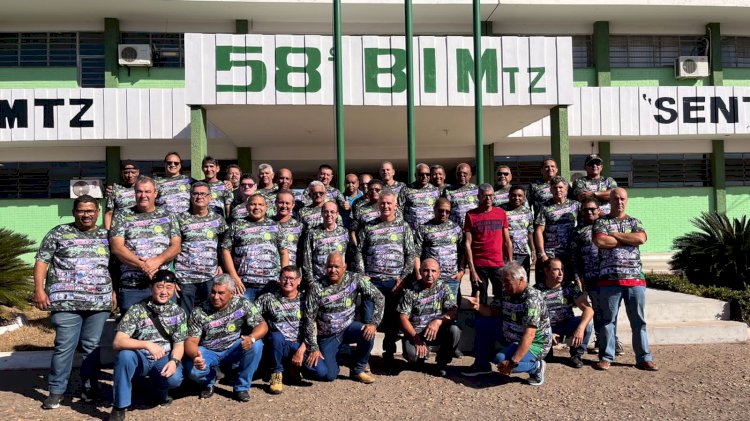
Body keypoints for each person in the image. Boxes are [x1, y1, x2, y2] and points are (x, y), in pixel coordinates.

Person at [34, 195, 114, 409]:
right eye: (81, 210)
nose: (86, 214)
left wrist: (113, 291)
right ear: (74, 212)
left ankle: (90, 389)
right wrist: (39, 290)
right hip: (65, 302)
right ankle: (56, 391)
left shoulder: (107, 236)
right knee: (64, 347)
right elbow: (42, 260)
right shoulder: (58, 232)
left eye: (90, 210)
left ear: (97, 212)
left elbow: (114, 266)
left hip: (98, 302)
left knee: (91, 347)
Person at [592, 188, 658, 371]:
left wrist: (614, 235)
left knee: (638, 321)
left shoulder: (634, 221)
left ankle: (644, 358)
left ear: (626, 200)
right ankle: (606, 357)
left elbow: (641, 239)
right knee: (607, 321)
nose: (619, 202)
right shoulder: (600, 222)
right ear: (610, 201)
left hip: (635, 280)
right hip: (609, 280)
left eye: (622, 199)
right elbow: (601, 242)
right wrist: (629, 239)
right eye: (615, 199)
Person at [110, 270, 186, 421]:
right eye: (159, 287)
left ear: (174, 289)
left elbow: (179, 344)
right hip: (140, 357)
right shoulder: (137, 309)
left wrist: (174, 361)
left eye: (169, 287)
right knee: (125, 356)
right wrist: (146, 344)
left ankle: (157, 390)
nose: (164, 292)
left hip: (163, 358)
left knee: (175, 378)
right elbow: (118, 341)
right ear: (151, 288)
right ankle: (120, 405)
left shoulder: (178, 312)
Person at [462, 261, 552, 386]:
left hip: (535, 344)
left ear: (521, 280)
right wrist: (478, 307)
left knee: (500, 360)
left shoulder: (532, 299)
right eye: (503, 281)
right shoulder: (507, 293)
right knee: (484, 323)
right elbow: (492, 312)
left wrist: (512, 362)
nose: (504, 285)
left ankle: (535, 366)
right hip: (510, 333)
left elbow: (529, 335)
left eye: (507, 282)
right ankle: (481, 365)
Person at [184, 274, 268, 402]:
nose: (215, 297)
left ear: (232, 293)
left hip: (233, 348)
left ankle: (241, 387)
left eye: (221, 293)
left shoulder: (242, 303)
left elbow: (262, 325)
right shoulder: (199, 311)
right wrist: (195, 355)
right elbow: (191, 341)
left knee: (256, 344)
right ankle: (208, 382)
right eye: (213, 292)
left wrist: (251, 337)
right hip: (209, 350)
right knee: (193, 370)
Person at [356, 190, 417, 367]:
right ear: (378, 205)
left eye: (389, 203)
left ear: (395, 205)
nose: (385, 206)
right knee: (368, 320)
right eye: (382, 203)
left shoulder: (403, 226)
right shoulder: (369, 226)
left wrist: (403, 277)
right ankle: (363, 358)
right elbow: (359, 251)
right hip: (372, 282)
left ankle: (388, 354)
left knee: (391, 321)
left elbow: (410, 254)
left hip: (394, 282)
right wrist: (362, 275)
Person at [305, 253, 384, 384]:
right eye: (330, 267)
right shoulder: (317, 287)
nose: (333, 270)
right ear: (325, 268)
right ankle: (302, 363)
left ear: (344, 267)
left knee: (367, 331)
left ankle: (358, 370)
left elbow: (379, 297)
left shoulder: (354, 279)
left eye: (336, 266)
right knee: (329, 375)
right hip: (327, 336)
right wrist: (314, 347)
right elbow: (309, 319)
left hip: (348, 328)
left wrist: (374, 323)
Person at [110, 176, 181, 313]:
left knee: (165, 329)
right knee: (131, 332)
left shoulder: (168, 215)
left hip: (162, 285)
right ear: (134, 193)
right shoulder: (121, 215)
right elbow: (117, 248)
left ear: (155, 193)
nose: (143, 195)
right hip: (132, 287)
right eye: (139, 192)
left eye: (148, 192)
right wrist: (144, 266)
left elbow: (176, 246)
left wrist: (157, 261)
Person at [397, 258, 461, 377]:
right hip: (416, 333)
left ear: (439, 272)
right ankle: (420, 357)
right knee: (413, 359)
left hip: (436, 331)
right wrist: (416, 339)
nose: (429, 274)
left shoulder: (444, 287)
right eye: (426, 270)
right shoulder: (410, 290)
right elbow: (403, 318)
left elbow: (453, 311)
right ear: (420, 272)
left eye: (433, 271)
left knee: (455, 331)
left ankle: (442, 362)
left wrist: (438, 321)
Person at [222, 194, 290, 301]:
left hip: (270, 285)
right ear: (247, 207)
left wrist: (283, 277)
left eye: (260, 204)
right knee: (243, 316)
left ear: (266, 207)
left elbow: (284, 252)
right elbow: (225, 250)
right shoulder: (236, 225)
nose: (257, 207)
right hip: (243, 285)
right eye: (253, 204)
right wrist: (234, 277)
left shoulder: (275, 226)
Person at [174, 182, 228, 314]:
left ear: (210, 197)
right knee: (185, 316)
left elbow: (224, 245)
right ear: (191, 197)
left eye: (203, 194)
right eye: (196, 193)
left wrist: (221, 265)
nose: (199, 197)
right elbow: (173, 247)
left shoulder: (218, 220)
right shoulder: (179, 219)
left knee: (208, 315)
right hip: (185, 277)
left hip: (210, 276)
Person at [255, 265, 308, 394]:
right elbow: (251, 314)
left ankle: (291, 367)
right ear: (279, 279)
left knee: (322, 373)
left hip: (298, 344)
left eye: (291, 278)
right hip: (279, 344)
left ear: (299, 280)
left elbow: (314, 325)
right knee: (276, 336)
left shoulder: (306, 299)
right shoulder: (268, 298)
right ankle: (276, 373)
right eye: (284, 278)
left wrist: (302, 349)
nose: (288, 282)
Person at [535, 259, 594, 369]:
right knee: (545, 357)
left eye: (562, 269)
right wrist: (547, 332)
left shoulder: (569, 287)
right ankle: (547, 351)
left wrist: (580, 329)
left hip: (566, 324)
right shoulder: (536, 291)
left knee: (587, 325)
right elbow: (532, 318)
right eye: (556, 270)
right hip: (547, 327)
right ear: (546, 271)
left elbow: (588, 310)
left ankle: (576, 355)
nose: (561, 273)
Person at [464, 184, 512, 305]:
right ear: (479, 197)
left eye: (491, 196)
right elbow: (467, 244)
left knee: (501, 298)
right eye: (485, 196)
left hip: (498, 263)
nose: (488, 199)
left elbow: (507, 241)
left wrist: (510, 263)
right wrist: (472, 270)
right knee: (480, 298)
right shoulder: (470, 215)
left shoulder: (501, 213)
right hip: (479, 265)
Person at [414, 197, 464, 300]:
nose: (444, 214)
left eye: (447, 211)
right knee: (431, 311)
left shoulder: (456, 228)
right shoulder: (423, 228)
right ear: (434, 209)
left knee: (451, 310)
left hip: (451, 278)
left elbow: (462, 251)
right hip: (430, 278)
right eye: (441, 210)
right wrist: (419, 274)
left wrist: (461, 271)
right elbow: (416, 254)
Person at [534, 176, 580, 285]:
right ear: (550, 190)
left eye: (560, 187)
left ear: (566, 189)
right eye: (554, 188)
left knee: (569, 283)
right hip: (551, 253)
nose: (558, 190)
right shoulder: (544, 207)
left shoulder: (575, 205)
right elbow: (539, 231)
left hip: (570, 253)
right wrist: (542, 253)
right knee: (550, 283)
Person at [302, 201, 349, 286]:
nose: (329, 214)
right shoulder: (312, 233)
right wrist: (310, 281)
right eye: (326, 212)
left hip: (339, 282)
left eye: (332, 212)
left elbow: (350, 257)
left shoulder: (344, 232)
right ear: (322, 213)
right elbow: (307, 259)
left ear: (337, 214)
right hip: (319, 282)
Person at [503, 185, 535, 280]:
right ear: (508, 196)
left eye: (520, 196)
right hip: (506, 254)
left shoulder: (527, 212)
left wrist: (533, 250)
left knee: (523, 281)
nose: (517, 198)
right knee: (508, 281)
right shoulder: (501, 210)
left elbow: (530, 233)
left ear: (524, 197)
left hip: (523, 254)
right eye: (514, 195)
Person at [398, 163, 441, 231]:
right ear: (415, 175)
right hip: (412, 231)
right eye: (421, 174)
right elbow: (399, 209)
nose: (425, 176)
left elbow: (439, 210)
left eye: (427, 174)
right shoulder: (406, 190)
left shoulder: (435, 191)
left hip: (431, 231)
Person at [104, 160, 140, 229]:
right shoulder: (115, 189)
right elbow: (109, 213)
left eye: (133, 172)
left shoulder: (144, 188)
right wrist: (107, 232)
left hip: (138, 229)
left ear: (138, 172)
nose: (130, 175)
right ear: (121, 174)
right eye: (126, 173)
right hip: (119, 230)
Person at [443, 163, 478, 228]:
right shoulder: (448, 190)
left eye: (465, 173)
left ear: (470, 175)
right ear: (456, 175)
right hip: (455, 229)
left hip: (473, 228)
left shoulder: (476, 189)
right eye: (459, 173)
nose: (462, 175)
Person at [349, 179, 383, 246]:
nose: (374, 192)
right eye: (371, 190)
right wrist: (358, 249)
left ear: (382, 191)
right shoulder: (361, 210)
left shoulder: (389, 207)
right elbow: (353, 231)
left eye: (377, 190)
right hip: (367, 251)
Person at [274, 189, 304, 266]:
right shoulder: (267, 224)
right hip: (272, 271)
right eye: (281, 203)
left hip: (292, 272)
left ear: (293, 205)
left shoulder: (299, 226)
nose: (284, 206)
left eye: (287, 203)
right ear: (275, 203)